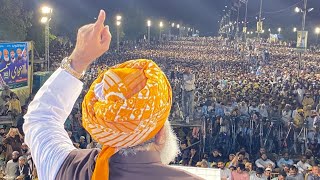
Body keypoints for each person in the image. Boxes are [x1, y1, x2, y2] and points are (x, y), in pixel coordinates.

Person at [23, 10, 202, 180]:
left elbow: (41, 118)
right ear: (161, 133)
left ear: (105, 130)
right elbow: (41, 119)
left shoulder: (67, 168)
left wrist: (79, 59)